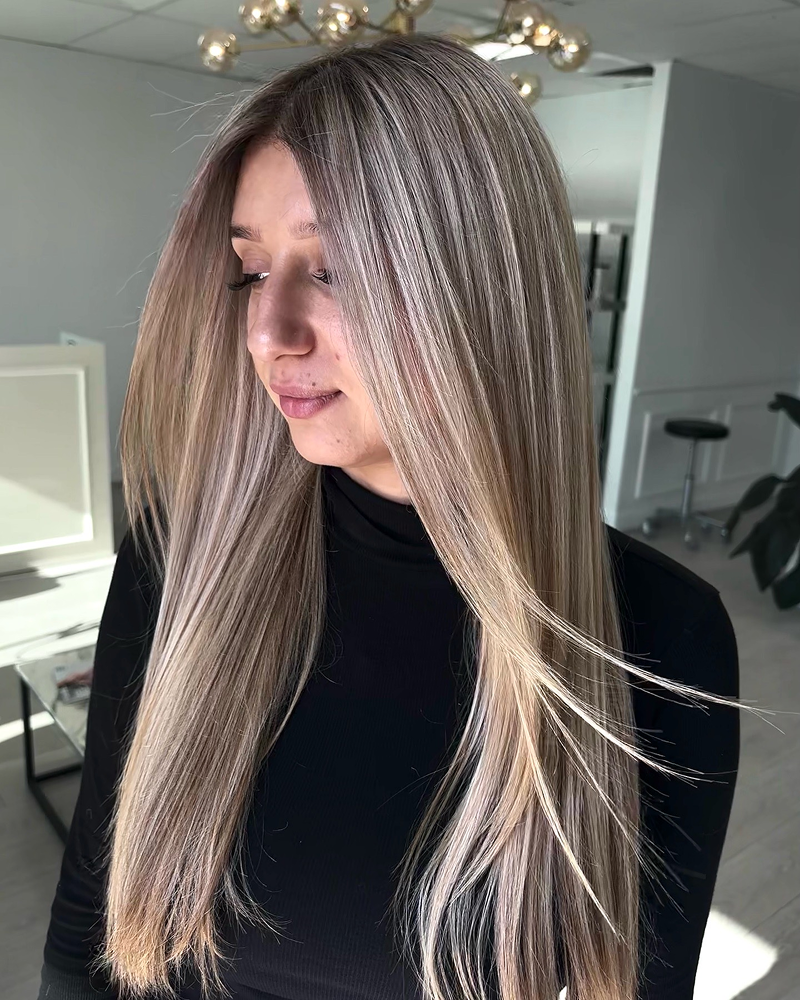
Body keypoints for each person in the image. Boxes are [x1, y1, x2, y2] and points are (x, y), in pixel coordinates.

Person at [37, 31, 740, 1000]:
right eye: (251, 270)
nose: (267, 332)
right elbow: (88, 924)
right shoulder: (176, 563)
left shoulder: (662, 635)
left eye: (332, 269)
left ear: (482, 292)